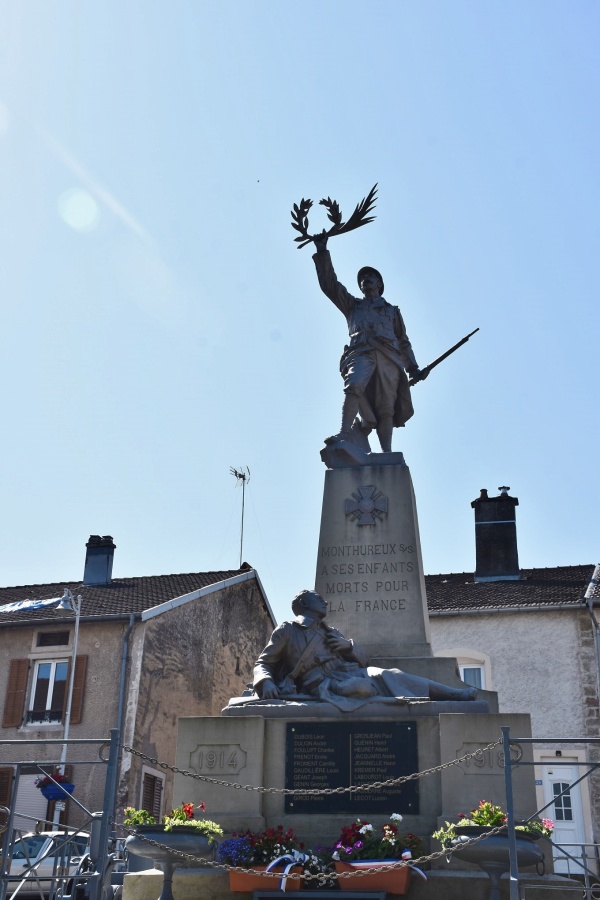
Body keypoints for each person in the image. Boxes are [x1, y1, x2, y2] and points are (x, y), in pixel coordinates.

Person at [253, 590, 476, 712]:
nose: (325, 601)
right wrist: (266, 682)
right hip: (322, 683)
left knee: (392, 675)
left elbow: (364, 661)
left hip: (349, 671)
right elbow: (263, 663)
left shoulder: (331, 631)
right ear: (304, 603)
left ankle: (453, 694)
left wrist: (348, 646)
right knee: (361, 687)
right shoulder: (288, 631)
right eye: (318, 598)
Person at [312, 234, 426, 453]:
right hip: (360, 353)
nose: (366, 278)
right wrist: (322, 252)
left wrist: (413, 368)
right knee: (353, 384)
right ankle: (345, 433)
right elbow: (330, 286)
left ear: (380, 284)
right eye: (363, 277)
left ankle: (387, 453)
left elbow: (403, 342)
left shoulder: (392, 311)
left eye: (371, 276)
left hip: (388, 359)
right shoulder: (353, 306)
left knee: (386, 409)